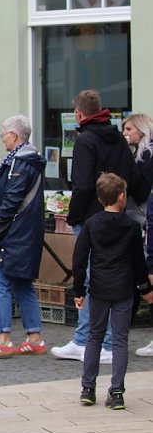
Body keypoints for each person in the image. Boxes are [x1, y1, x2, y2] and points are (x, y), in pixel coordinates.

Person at [52, 90, 137, 364]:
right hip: (120, 215)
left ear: (78, 113)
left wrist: (75, 216)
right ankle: (101, 342)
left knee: (90, 280)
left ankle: (91, 341)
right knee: (114, 278)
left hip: (91, 219)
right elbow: (132, 177)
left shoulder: (85, 140)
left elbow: (83, 185)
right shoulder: (119, 140)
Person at [0, 115, 47, 358]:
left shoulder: (20, 162)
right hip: (26, 230)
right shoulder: (29, 160)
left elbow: (11, 199)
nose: (2, 140)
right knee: (22, 283)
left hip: (14, 232)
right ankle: (34, 337)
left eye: (4, 135)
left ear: (14, 136)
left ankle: (3, 337)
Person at [74, 173, 146, 410]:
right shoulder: (132, 226)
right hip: (124, 288)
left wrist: (78, 290)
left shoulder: (92, 224)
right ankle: (117, 392)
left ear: (99, 197)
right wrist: (145, 288)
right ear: (123, 196)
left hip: (99, 288)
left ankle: (88, 388)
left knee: (94, 336)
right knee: (119, 340)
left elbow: (80, 258)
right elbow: (138, 262)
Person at [120, 113, 153, 226]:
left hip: (142, 212)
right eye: (124, 129)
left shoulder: (147, 154)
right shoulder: (142, 152)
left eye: (129, 129)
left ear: (141, 131)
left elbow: (141, 191)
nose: (124, 133)